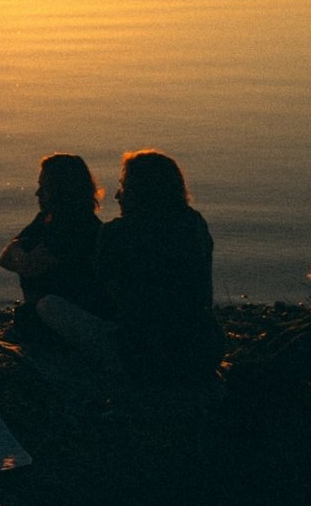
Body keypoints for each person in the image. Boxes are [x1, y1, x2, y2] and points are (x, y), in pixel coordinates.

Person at [36, 149, 222, 379]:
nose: (116, 195)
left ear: (137, 191)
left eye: (123, 185)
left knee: (47, 305)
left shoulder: (116, 233)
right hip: (204, 350)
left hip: (141, 355)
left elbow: (109, 300)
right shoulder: (195, 224)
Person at [0, 153, 105, 341]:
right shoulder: (46, 219)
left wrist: (21, 256)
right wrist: (22, 257)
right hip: (43, 307)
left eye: (44, 188)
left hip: (73, 311)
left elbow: (30, 266)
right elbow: (5, 258)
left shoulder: (79, 227)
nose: (37, 193)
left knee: (31, 318)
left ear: (61, 190)